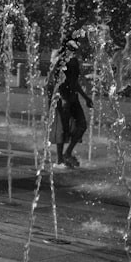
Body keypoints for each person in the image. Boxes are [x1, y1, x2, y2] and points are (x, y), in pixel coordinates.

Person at [48, 39, 93, 168]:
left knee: (82, 125)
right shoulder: (60, 61)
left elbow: (75, 82)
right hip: (62, 99)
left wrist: (85, 97)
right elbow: (53, 80)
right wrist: (62, 98)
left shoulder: (74, 61)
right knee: (62, 129)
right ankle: (60, 158)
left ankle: (67, 153)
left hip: (73, 98)